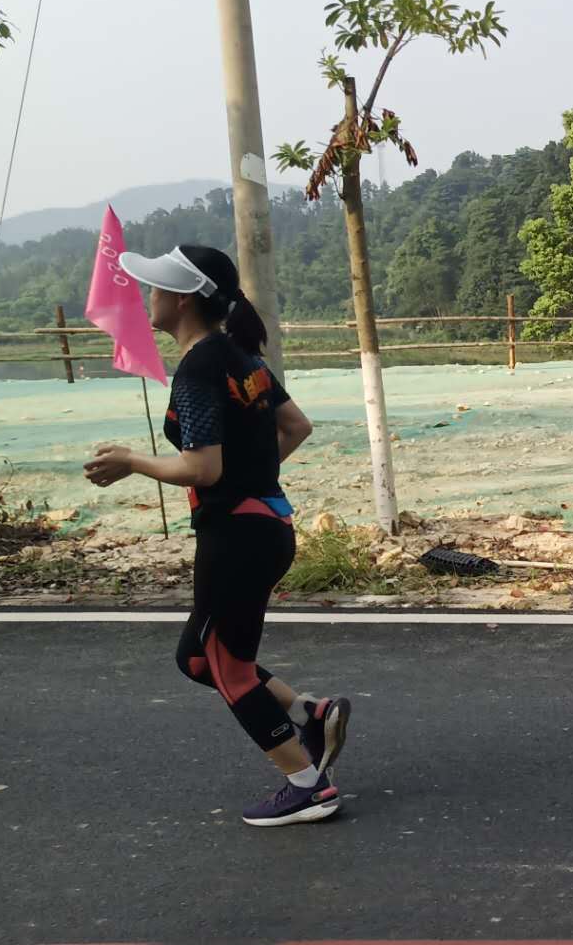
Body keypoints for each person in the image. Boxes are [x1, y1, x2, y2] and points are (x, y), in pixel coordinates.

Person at [83, 244, 352, 827]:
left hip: (236, 538)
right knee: (196, 658)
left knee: (228, 668)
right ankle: (309, 713)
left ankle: (307, 785)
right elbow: (296, 427)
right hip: (266, 526)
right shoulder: (241, 357)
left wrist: (132, 460)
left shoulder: (200, 366)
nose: (149, 297)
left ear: (182, 299)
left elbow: (201, 468)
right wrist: (250, 480)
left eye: (156, 287)